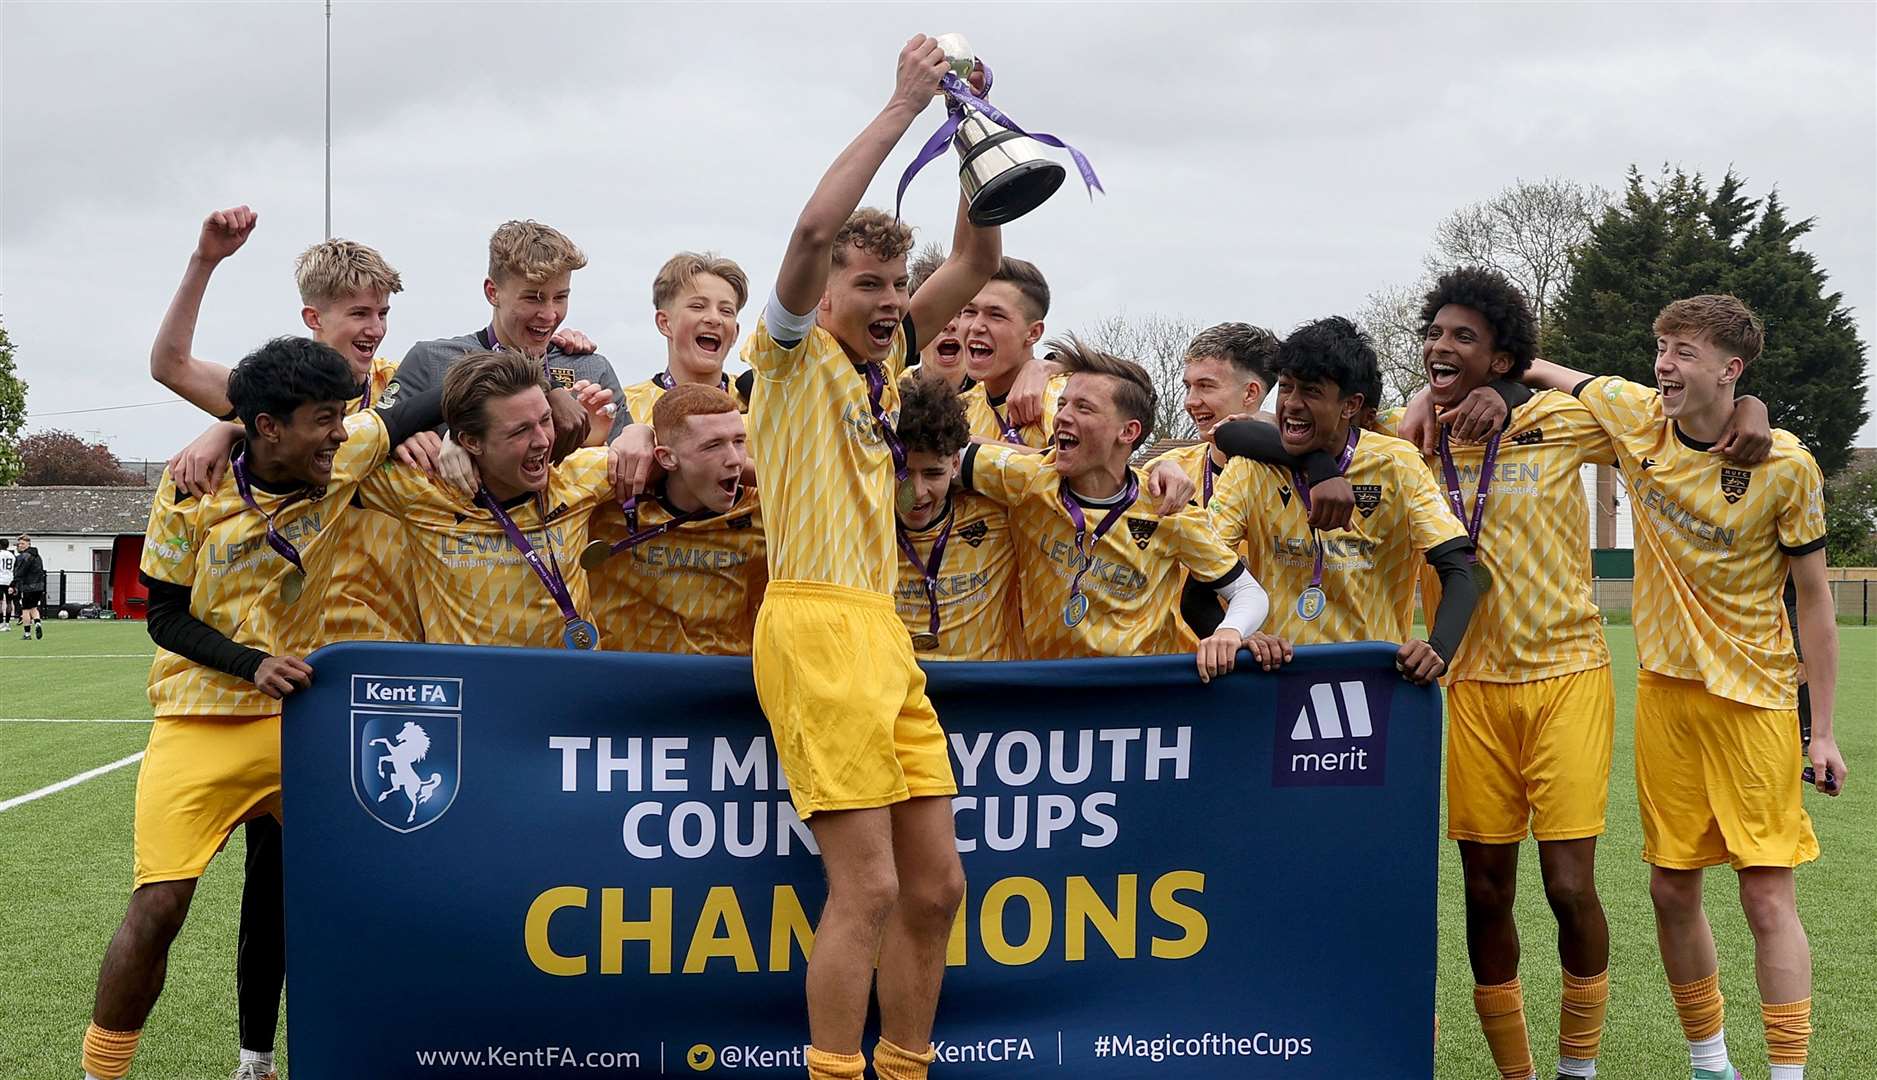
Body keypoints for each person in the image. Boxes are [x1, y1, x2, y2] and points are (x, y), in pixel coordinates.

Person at [740, 35, 1000, 1080]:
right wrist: (901, 104)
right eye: (869, 283)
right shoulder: (791, 357)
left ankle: (905, 1066)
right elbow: (809, 227)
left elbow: (976, 264)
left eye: (897, 284)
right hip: (810, 625)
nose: (891, 300)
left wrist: (969, 127)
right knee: (870, 888)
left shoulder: (881, 367)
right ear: (827, 290)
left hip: (879, 633)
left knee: (936, 887)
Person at [79, 337, 441, 1080]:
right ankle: (100, 1072)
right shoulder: (190, 490)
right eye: (323, 419)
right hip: (200, 719)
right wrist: (251, 664)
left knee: (385, 896)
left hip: (301, 728)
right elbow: (165, 617)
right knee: (158, 907)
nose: (341, 432)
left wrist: (545, 367)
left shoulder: (342, 453)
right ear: (270, 427)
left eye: (342, 415)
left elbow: (427, 394)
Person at [1520, 296, 1843, 1080]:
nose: (1663, 363)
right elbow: (1534, 366)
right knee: (1669, 889)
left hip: (1755, 702)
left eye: (1684, 351)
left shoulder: (1784, 465)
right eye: (1660, 346)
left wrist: (1821, 729)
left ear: (1730, 370)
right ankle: (1709, 1065)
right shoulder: (1635, 418)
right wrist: (1452, 388)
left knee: (1766, 898)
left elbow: (1814, 600)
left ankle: (1786, 1075)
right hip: (1665, 693)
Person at [960, 337, 1274, 675]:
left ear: (1128, 432)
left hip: (1139, 699)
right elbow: (937, 452)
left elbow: (1247, 591)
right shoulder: (1026, 479)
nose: (1062, 417)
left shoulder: (1167, 508)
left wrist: (1229, 632)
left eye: (1083, 408)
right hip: (1049, 694)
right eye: (1062, 405)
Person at [1208, 316, 1480, 685]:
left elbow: (1460, 572)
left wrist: (1439, 648)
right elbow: (1200, 585)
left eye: (1312, 392)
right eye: (1286, 388)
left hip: (1373, 683)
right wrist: (1241, 636)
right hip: (1276, 679)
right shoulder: (1250, 468)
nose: (1292, 404)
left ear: (1351, 405)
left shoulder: (1396, 463)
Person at [358, 349, 637, 650]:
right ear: (470, 442)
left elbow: (677, 465)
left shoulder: (577, 472)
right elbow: (332, 460)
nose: (542, 440)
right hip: (470, 689)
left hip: (572, 686)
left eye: (545, 420)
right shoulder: (419, 485)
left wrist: (639, 433)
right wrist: (397, 439)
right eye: (520, 431)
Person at [392, 218, 628, 448]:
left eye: (560, 297)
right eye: (532, 298)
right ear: (493, 292)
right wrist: (405, 442)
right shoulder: (430, 361)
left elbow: (635, 469)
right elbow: (374, 442)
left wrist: (631, 437)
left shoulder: (592, 370)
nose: (549, 315)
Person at [585, 383, 767, 654]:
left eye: (739, 441)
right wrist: (634, 430)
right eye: (713, 446)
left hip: (728, 681)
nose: (734, 460)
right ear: (666, 458)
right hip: (625, 679)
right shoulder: (610, 496)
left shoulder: (765, 509)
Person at [892, 374, 1022, 661]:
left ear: (954, 464)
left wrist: (1148, 467)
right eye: (901, 473)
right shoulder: (862, 523)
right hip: (896, 693)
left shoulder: (998, 515)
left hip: (980, 696)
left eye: (933, 473)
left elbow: (1055, 469)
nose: (917, 492)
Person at [619, 252, 753, 423]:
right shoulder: (625, 408)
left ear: (735, 333)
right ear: (665, 323)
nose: (714, 319)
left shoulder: (757, 400)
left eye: (726, 311)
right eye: (698, 306)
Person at [956, 257, 1066, 448]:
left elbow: (1074, 470)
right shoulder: (960, 408)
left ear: (1033, 333)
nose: (976, 326)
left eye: (996, 315)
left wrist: (970, 452)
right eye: (969, 312)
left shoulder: (1058, 394)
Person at [14, 535, 46, 640]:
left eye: (22, 543)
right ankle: (37, 623)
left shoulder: (24, 556)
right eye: (19, 544)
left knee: (25, 610)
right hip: (39, 585)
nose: (20, 546)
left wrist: (13, 584)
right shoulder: (38, 556)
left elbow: (20, 572)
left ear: (28, 544)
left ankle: (27, 634)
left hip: (28, 586)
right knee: (34, 607)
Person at [0, 537, 14, 632]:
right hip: (10, 580)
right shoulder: (12, 555)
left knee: (0, 602)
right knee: (9, 602)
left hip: (0, 580)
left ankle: (1, 622)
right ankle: (8, 623)